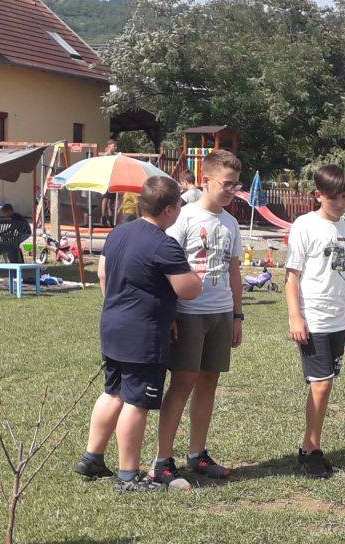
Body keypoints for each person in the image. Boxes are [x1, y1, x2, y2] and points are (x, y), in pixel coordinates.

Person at [75, 176, 202, 492]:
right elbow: (188, 290)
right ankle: (128, 476)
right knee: (136, 402)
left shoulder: (119, 232)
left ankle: (92, 458)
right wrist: (198, 276)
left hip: (113, 324)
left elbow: (102, 273)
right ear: (169, 209)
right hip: (143, 334)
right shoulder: (163, 244)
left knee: (113, 392)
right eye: (179, 206)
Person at [152, 149, 244, 485]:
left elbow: (234, 272)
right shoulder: (185, 218)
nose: (232, 191)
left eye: (236, 185)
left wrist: (237, 315)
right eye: (226, 184)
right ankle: (162, 460)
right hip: (189, 314)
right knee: (182, 384)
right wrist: (170, 314)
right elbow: (165, 268)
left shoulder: (231, 223)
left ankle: (197, 454)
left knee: (209, 383)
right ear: (206, 181)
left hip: (220, 313)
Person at [286, 163, 345, 478]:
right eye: (335, 198)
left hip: (337, 319)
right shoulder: (304, 225)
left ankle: (312, 446)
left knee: (326, 385)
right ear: (318, 195)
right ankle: (310, 450)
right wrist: (295, 316)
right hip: (313, 318)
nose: (341, 203)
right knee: (322, 384)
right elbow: (292, 276)